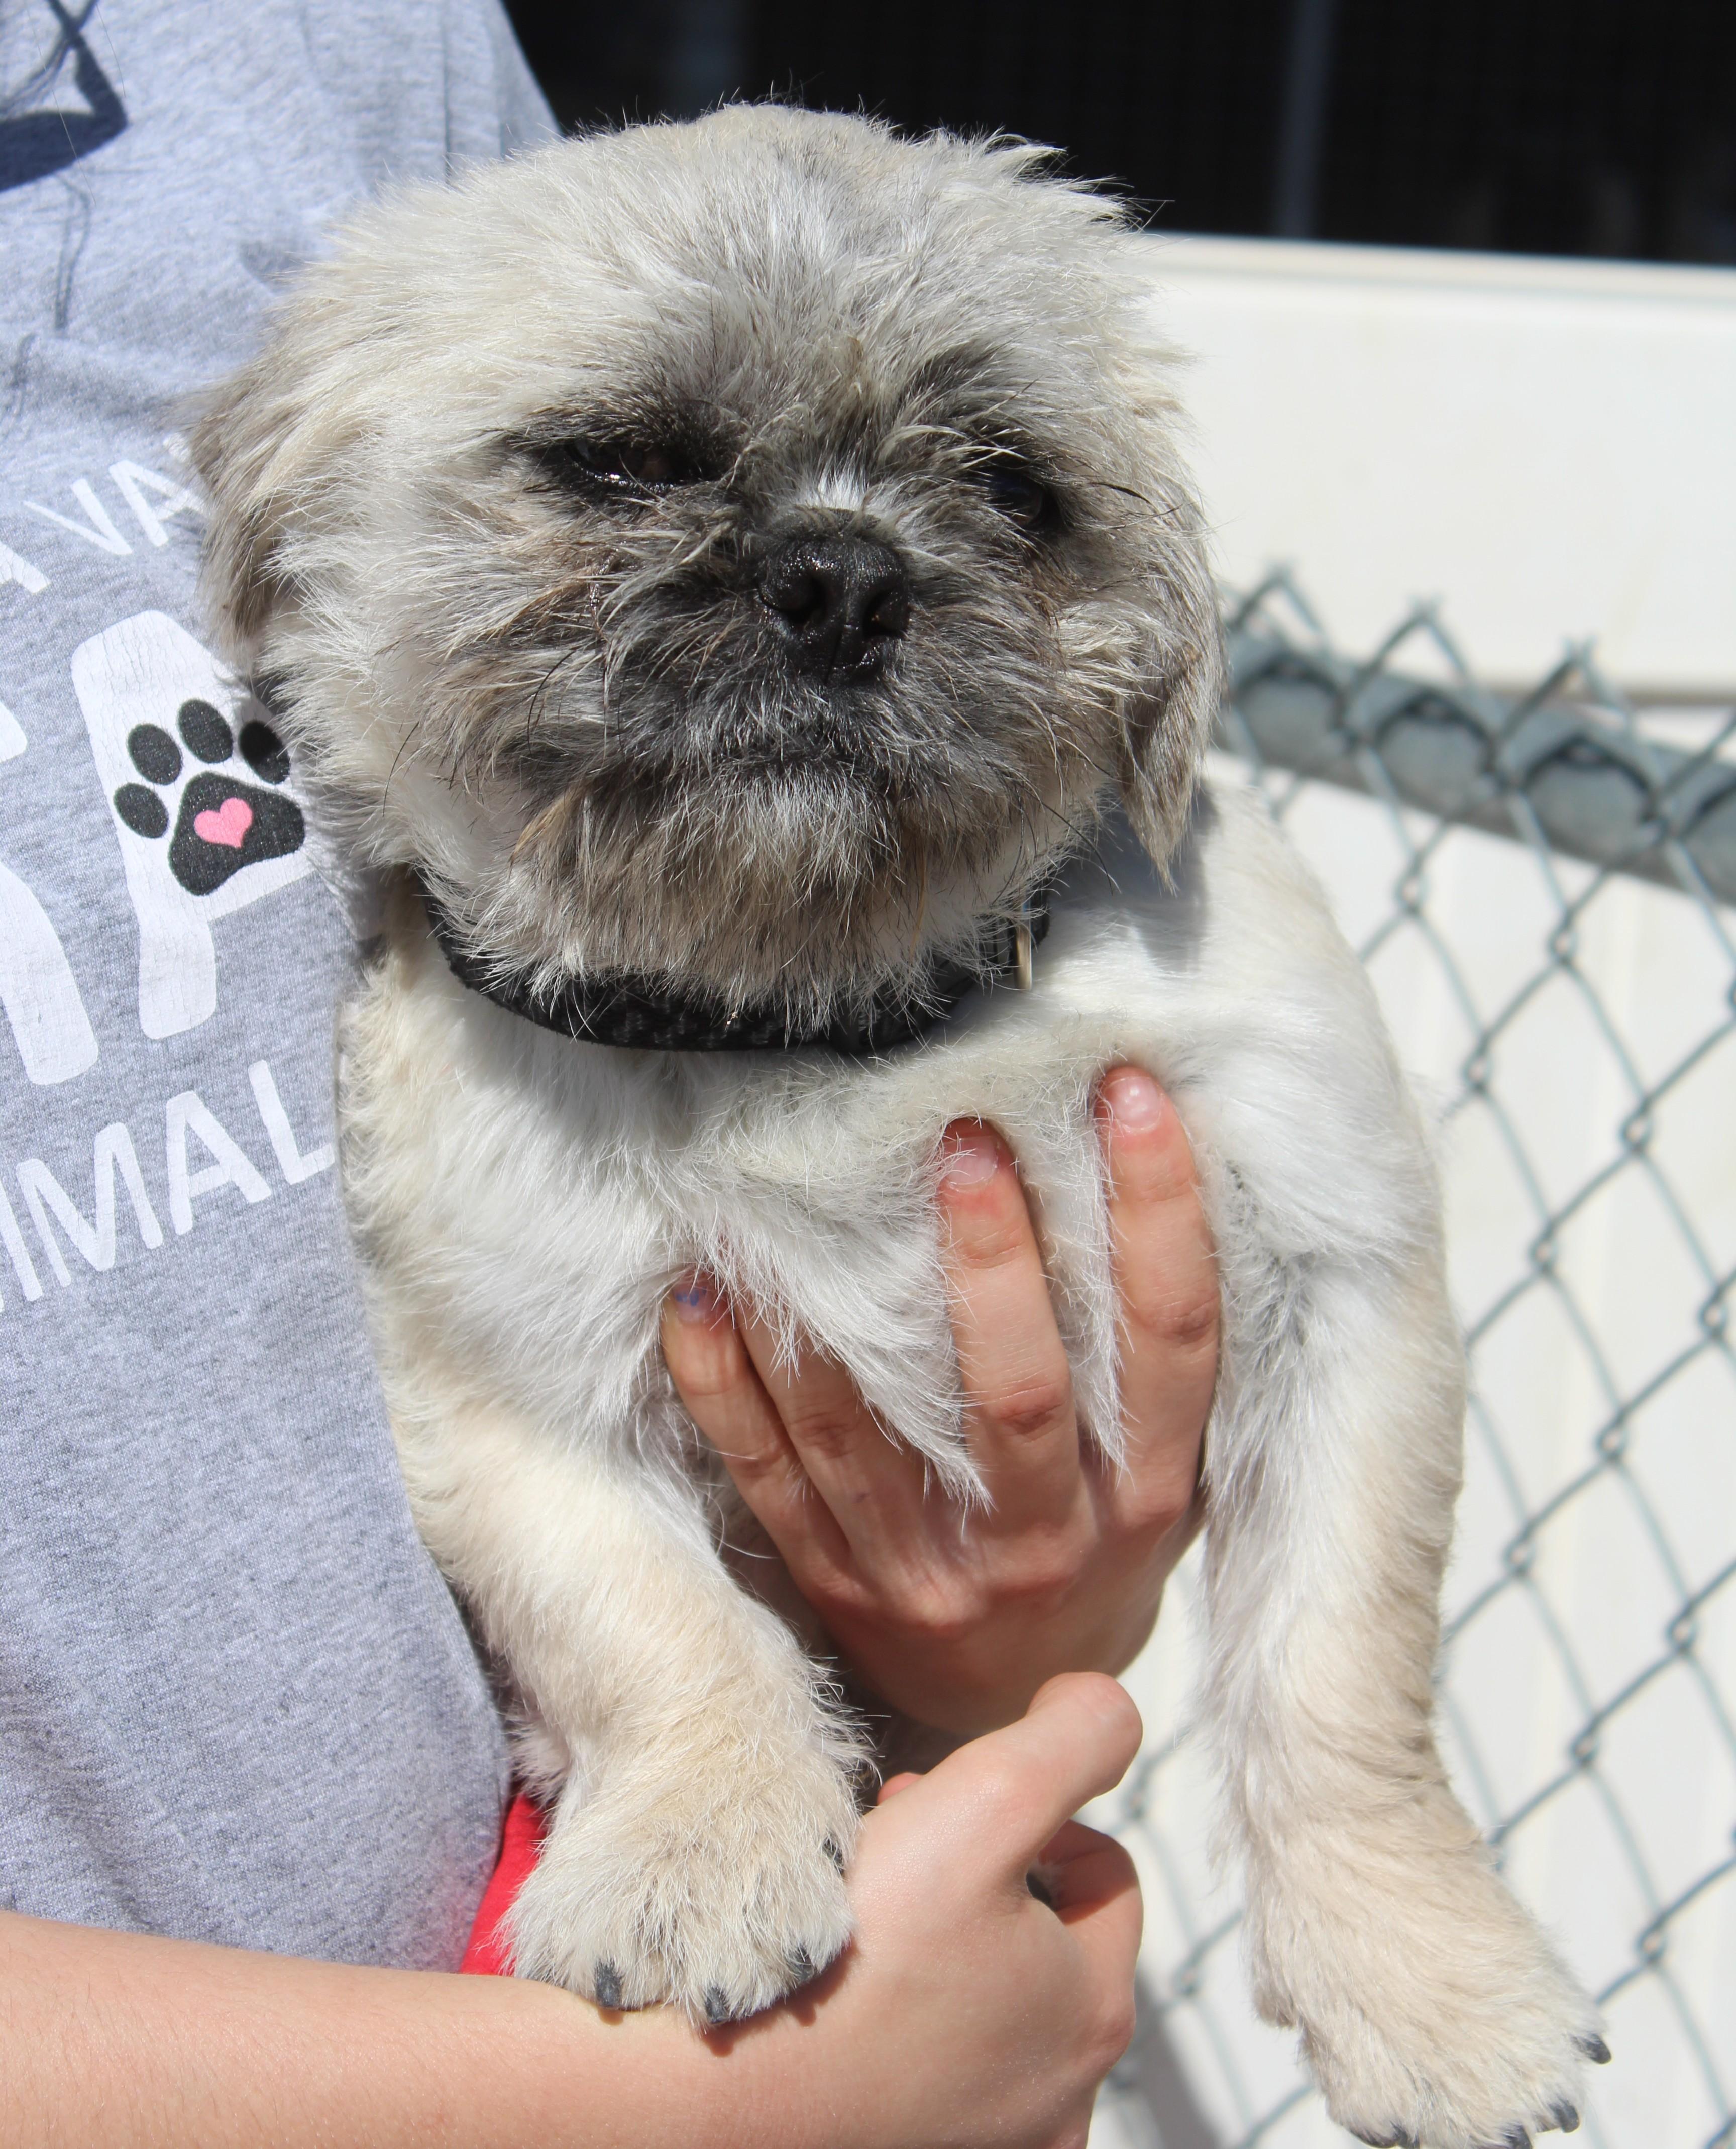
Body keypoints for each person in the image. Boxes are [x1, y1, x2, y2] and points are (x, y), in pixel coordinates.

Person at [0, 3, 1218, 2140]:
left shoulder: (302, 44)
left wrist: (977, 1593)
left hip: (655, 1907)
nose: (825, 579)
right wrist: (613, 2115)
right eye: (613, 469)